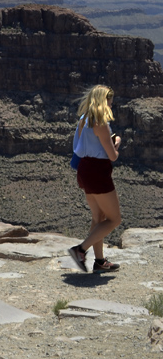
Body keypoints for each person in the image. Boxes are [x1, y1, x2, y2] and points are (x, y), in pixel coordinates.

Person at [68, 85, 122, 273]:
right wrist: (117, 143)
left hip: (84, 168)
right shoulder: (101, 122)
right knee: (115, 219)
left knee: (98, 217)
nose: (112, 105)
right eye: (110, 101)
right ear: (103, 101)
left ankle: (99, 262)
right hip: (98, 171)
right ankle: (80, 250)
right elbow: (112, 156)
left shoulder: (85, 119)